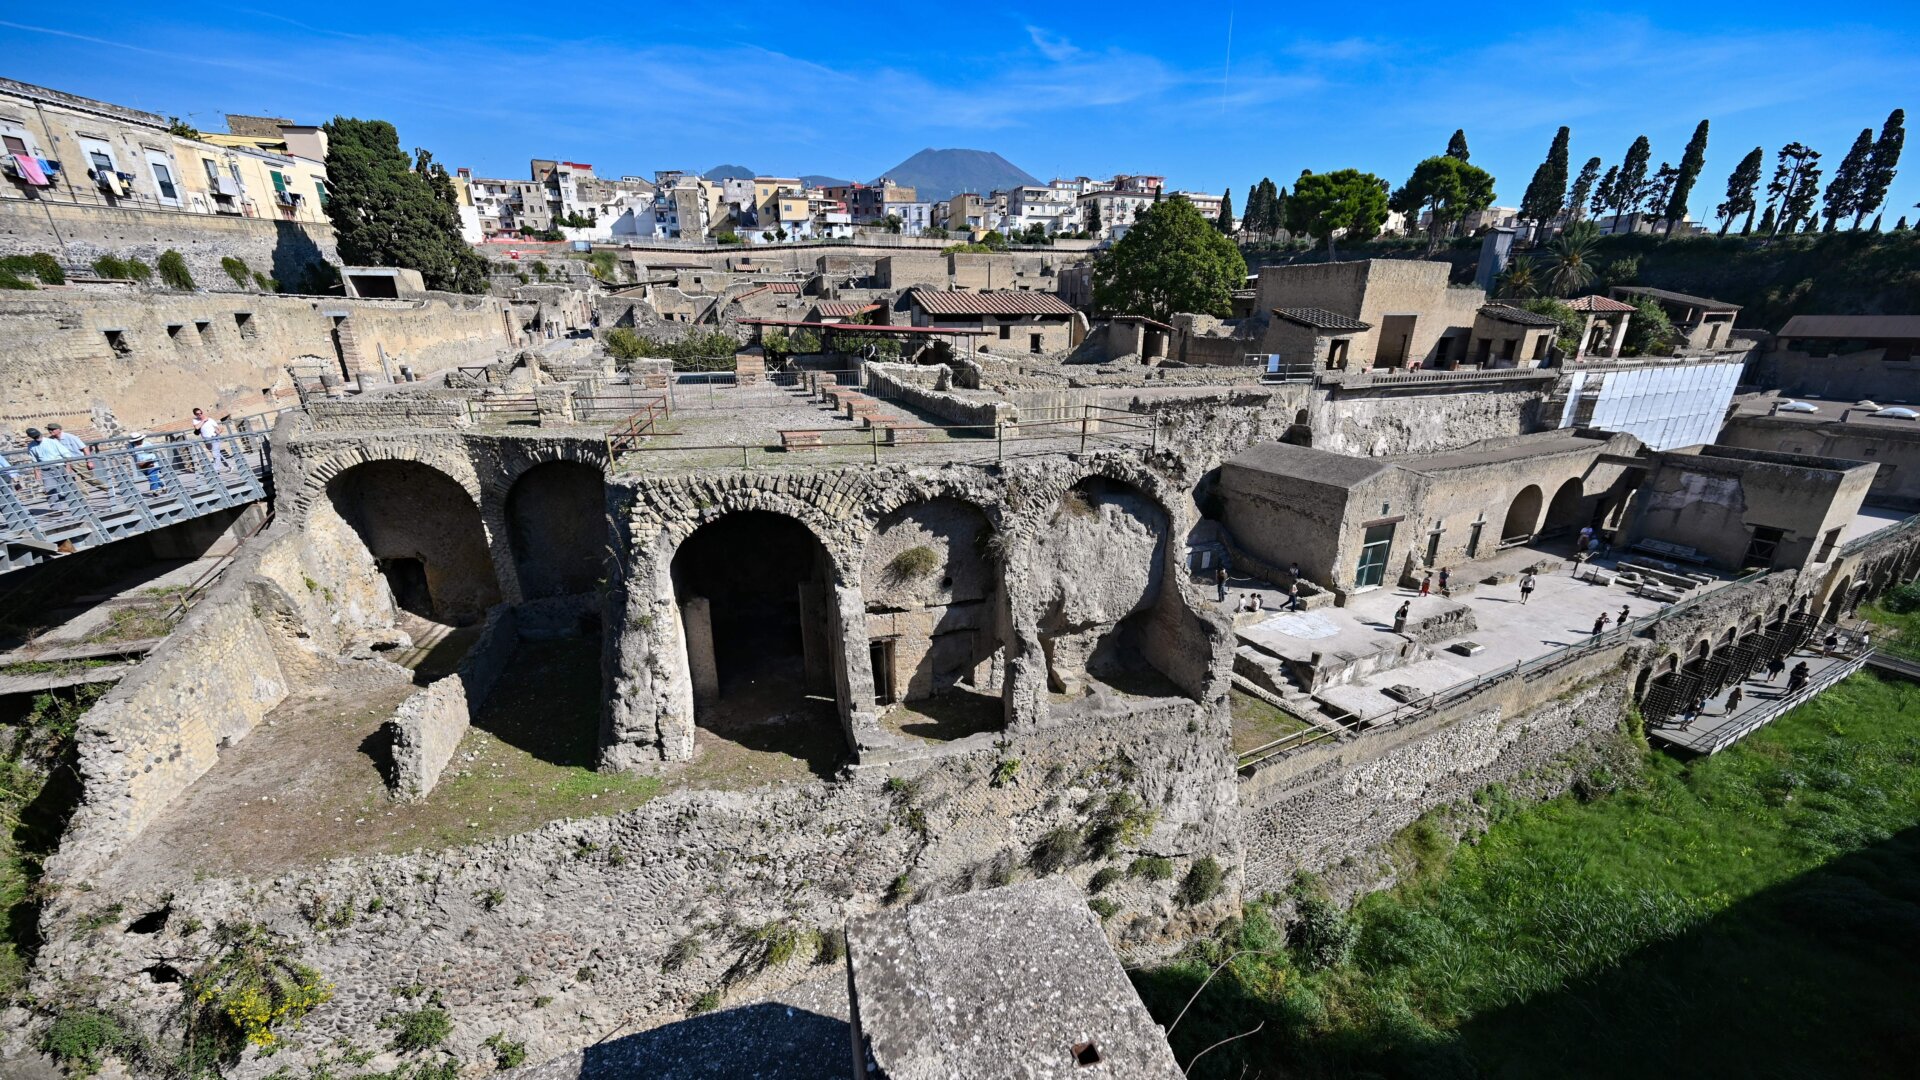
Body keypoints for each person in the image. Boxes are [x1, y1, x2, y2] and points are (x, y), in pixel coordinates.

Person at [24, 427, 78, 510]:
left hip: (59, 466)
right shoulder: (31, 446)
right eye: (35, 437)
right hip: (46, 469)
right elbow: (34, 460)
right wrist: (36, 472)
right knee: (50, 489)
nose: (37, 438)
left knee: (68, 487)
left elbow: (66, 454)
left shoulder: (52, 442)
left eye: (37, 435)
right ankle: (56, 509)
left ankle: (77, 506)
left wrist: (68, 467)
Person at [44, 423, 105, 491]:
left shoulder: (70, 437)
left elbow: (85, 448)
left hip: (78, 461)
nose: (50, 431)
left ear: (59, 430)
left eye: (52, 429)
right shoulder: (51, 440)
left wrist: (89, 461)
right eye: (49, 429)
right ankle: (83, 499)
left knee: (90, 479)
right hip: (66, 463)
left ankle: (107, 489)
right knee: (76, 481)